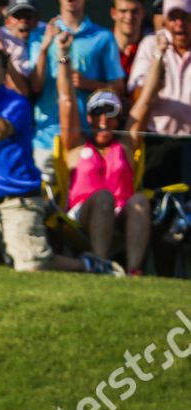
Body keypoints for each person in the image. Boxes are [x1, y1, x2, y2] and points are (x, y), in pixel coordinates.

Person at [0, 41, 120, 274]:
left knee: (32, 265)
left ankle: (90, 265)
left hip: (19, 201)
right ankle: (4, 253)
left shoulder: (16, 102)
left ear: (5, 69)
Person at [57, 33, 149, 274]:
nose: (103, 121)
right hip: (83, 213)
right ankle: (101, 266)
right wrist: (64, 56)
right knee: (103, 198)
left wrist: (159, 56)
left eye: (110, 115)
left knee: (140, 200)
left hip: (122, 212)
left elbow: (144, 104)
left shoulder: (125, 146)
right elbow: (66, 99)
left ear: (118, 119)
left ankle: (134, 271)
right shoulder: (76, 144)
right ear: (89, 117)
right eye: (97, 114)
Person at [28, 0, 126, 171]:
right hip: (46, 139)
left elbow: (117, 88)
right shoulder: (39, 37)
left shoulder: (103, 37)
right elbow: (34, 87)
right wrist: (46, 49)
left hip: (85, 139)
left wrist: (90, 84)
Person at [129, 0, 191, 188]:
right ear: (164, 22)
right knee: (157, 208)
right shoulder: (151, 45)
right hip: (158, 142)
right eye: (173, 18)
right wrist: (159, 60)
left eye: (185, 17)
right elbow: (137, 96)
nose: (179, 24)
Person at [110, 0, 149, 76]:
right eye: (123, 11)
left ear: (143, 13)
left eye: (135, 11)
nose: (129, 16)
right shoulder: (101, 45)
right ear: (113, 13)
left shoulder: (151, 48)